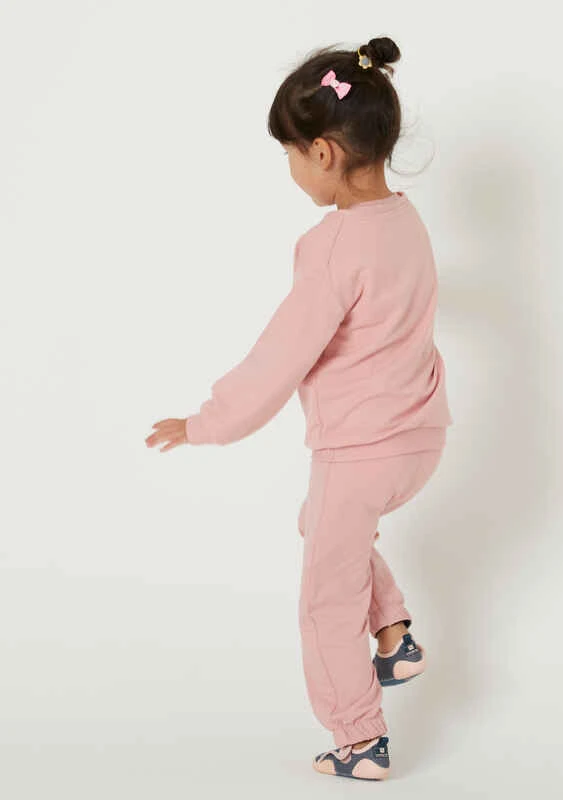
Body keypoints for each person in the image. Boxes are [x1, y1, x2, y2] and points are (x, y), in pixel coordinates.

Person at [144, 36, 453, 781]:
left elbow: (281, 354)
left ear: (322, 153)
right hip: (421, 440)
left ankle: (360, 740)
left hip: (360, 449)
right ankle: (395, 634)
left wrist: (208, 422)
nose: (289, 169)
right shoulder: (407, 222)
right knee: (321, 525)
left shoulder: (332, 245)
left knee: (325, 598)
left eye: (288, 154)